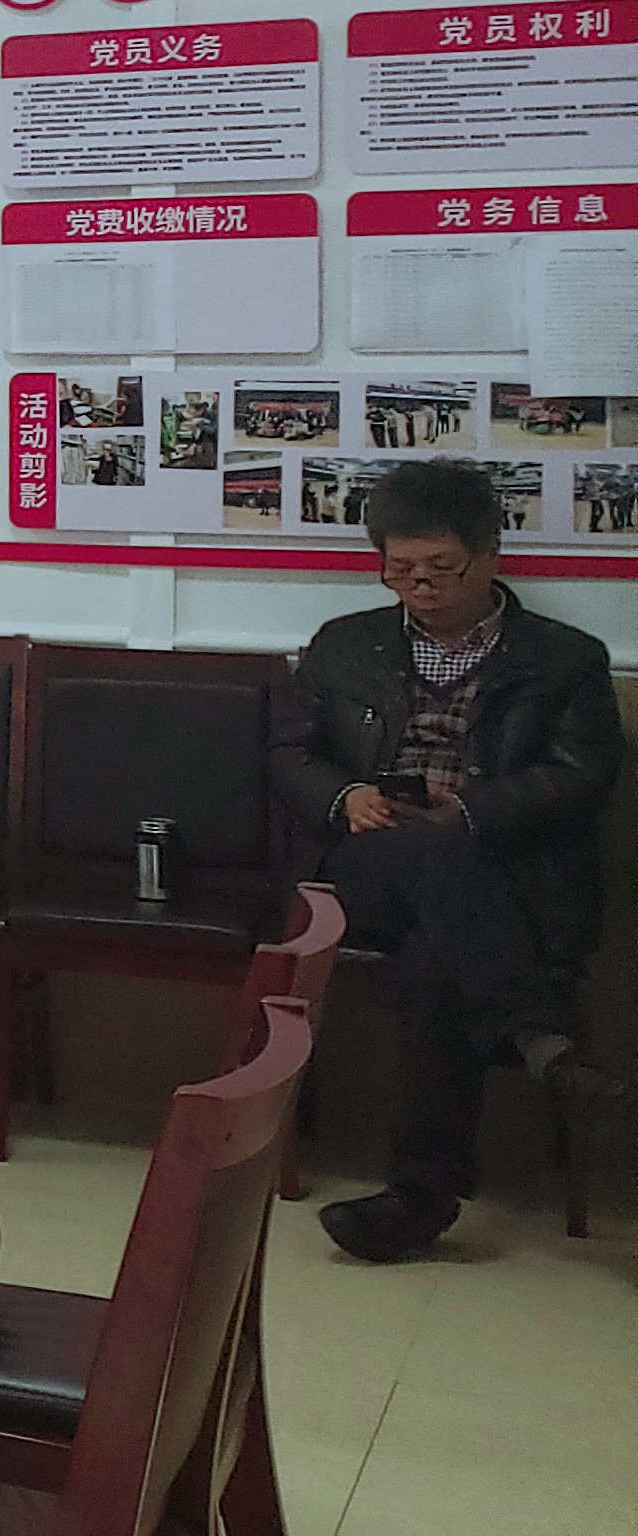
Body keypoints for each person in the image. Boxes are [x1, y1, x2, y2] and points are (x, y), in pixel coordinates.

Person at [270, 459, 624, 1263]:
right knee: (421, 855)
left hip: (499, 874)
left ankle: (417, 1201)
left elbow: (582, 774)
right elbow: (289, 753)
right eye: (400, 570)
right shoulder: (345, 646)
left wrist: (470, 814)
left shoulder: (566, 660)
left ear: (491, 553)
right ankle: (539, 1038)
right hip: (364, 865)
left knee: (438, 957)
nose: (420, 588)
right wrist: (346, 796)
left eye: (441, 569)